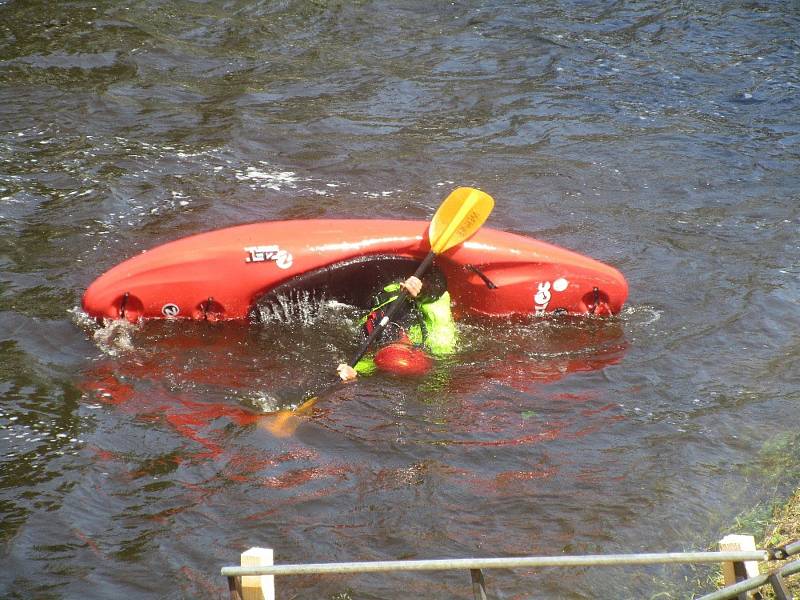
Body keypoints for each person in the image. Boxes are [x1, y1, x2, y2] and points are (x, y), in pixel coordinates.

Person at [336, 268, 456, 381]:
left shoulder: (378, 359)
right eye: (408, 347)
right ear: (418, 352)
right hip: (410, 284)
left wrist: (347, 374)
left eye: (396, 342)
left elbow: (355, 368)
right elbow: (439, 285)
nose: (403, 339)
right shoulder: (438, 342)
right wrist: (422, 288)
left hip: (368, 292)